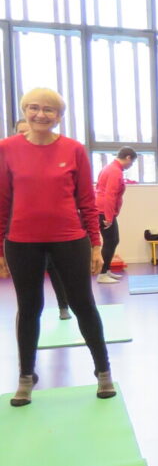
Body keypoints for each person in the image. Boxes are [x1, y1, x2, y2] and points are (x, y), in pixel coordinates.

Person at [0, 88, 115, 406]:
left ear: (59, 116)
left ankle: (103, 371)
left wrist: (95, 244)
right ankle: (26, 377)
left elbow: (86, 201)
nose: (41, 114)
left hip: (69, 240)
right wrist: (0, 248)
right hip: (22, 242)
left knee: (83, 305)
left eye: (49, 110)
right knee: (29, 309)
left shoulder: (74, 149)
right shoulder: (6, 149)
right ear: (24, 111)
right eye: (34, 108)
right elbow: (3, 201)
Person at [13, 118, 71, 319]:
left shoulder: (50, 156)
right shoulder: (9, 156)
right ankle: (27, 314)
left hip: (51, 231)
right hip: (21, 234)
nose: (24, 134)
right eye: (20, 131)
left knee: (55, 270)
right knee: (28, 284)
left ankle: (63, 306)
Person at [95, 146, 137, 284]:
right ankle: (102, 274)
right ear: (128, 158)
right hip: (103, 211)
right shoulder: (115, 171)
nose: (131, 165)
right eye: (132, 162)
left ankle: (106, 270)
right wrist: (108, 217)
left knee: (113, 240)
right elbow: (110, 195)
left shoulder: (110, 168)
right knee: (110, 241)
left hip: (103, 210)